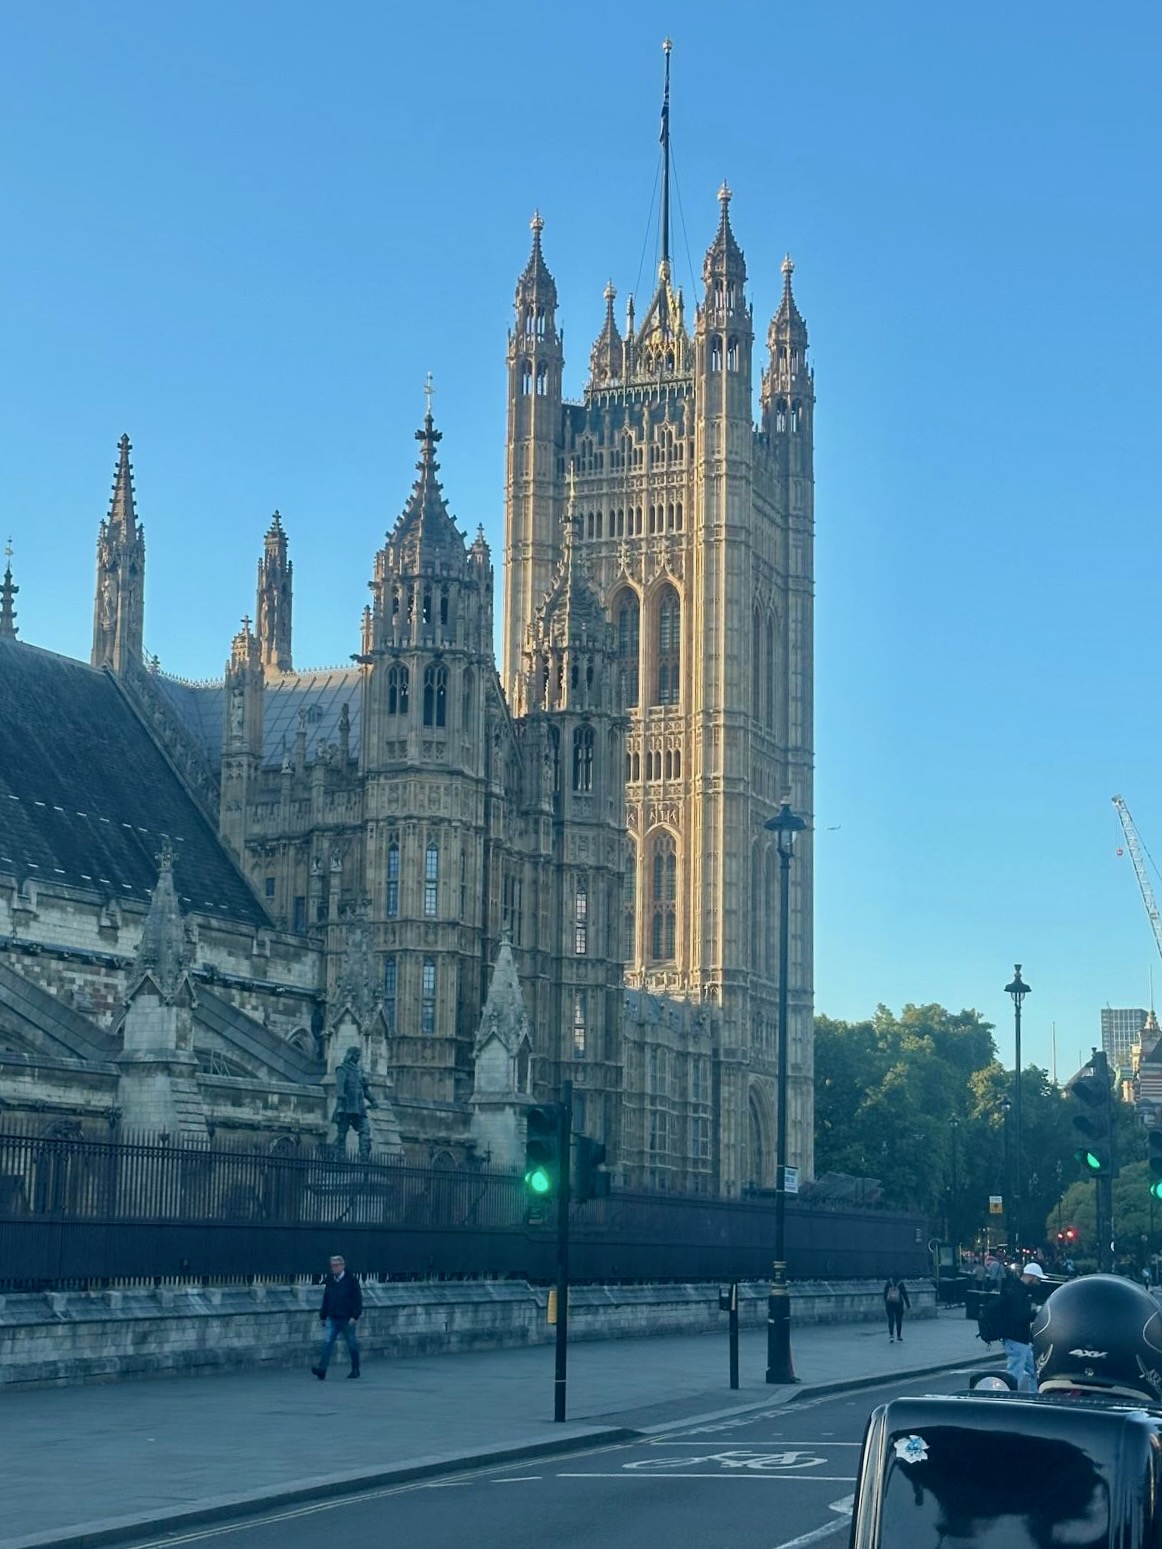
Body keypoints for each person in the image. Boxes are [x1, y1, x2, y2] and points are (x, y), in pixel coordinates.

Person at [311, 1254, 363, 1380]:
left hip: (347, 1318)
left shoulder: (351, 1280)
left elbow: (358, 1299)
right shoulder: (330, 1280)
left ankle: (355, 1369)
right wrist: (323, 1315)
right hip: (333, 1317)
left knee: (351, 1344)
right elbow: (326, 1298)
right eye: (332, 1266)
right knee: (327, 1343)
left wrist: (355, 1316)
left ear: (342, 1266)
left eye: (336, 1265)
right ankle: (322, 1370)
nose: (333, 1268)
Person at [996, 1261, 1043, 1391]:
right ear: (1032, 1277)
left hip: (1020, 1339)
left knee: (1035, 1370)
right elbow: (1019, 1316)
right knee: (1015, 1374)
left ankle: (1036, 1398)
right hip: (1016, 1338)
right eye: (1038, 1279)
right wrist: (1035, 1312)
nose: (1039, 1282)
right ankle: (1010, 1400)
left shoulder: (1016, 1288)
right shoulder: (1018, 1291)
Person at [883, 1276, 910, 1341]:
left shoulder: (888, 1282)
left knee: (890, 1319)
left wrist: (886, 1301)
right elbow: (904, 1294)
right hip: (899, 1304)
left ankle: (891, 1335)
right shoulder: (901, 1283)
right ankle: (898, 1335)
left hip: (890, 1303)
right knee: (899, 1320)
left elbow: (884, 1293)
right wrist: (908, 1304)